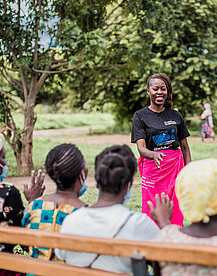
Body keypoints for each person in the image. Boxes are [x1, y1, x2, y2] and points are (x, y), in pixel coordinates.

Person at [55, 145, 172, 274]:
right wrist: (164, 222)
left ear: (97, 181)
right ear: (129, 183)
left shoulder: (72, 220)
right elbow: (167, 266)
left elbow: (62, 256)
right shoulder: (139, 224)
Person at [0, 130, 45, 275]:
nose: (5, 163)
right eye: (3, 158)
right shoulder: (4, 193)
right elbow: (26, 244)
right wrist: (33, 202)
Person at [131, 73, 191, 226]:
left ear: (167, 92)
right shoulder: (140, 116)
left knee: (175, 204)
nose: (159, 92)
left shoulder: (175, 115)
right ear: (148, 91)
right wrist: (154, 155)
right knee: (151, 205)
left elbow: (185, 147)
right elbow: (141, 148)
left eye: (163, 89)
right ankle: (152, 237)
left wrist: (188, 170)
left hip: (175, 168)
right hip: (154, 169)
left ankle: (174, 234)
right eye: (155, 89)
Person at [22, 144, 88, 261]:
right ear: (82, 173)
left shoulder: (35, 206)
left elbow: (26, 245)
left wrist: (33, 201)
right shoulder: (87, 214)